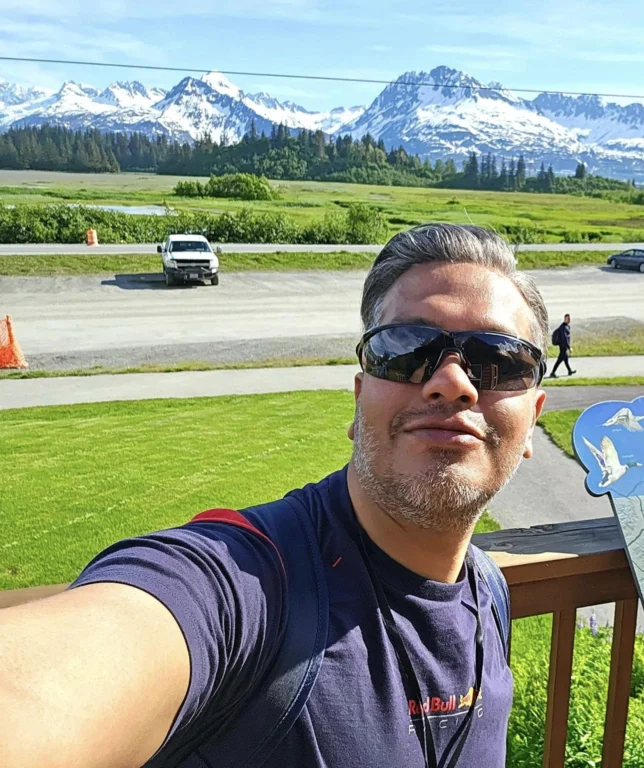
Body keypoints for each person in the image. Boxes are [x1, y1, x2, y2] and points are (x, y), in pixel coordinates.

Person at [0, 224, 549, 768]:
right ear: (359, 401)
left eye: (499, 360)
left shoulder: (488, 593)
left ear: (532, 422)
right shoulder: (246, 586)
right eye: (406, 349)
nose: (452, 383)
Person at [549, 313, 575, 378]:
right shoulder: (563, 327)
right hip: (563, 346)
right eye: (568, 318)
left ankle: (569, 370)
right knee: (559, 360)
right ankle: (552, 373)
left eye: (569, 318)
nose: (569, 320)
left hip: (564, 346)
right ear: (565, 319)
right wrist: (569, 347)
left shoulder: (567, 326)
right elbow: (564, 338)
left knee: (566, 359)